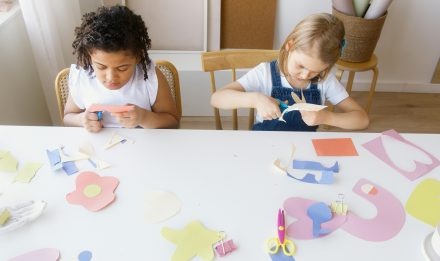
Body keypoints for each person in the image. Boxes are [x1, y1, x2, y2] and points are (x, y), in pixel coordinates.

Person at [211, 13, 369, 131]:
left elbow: (362, 119)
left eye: (316, 71)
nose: (305, 75)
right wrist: (255, 99)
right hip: (262, 145)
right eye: (301, 66)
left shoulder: (325, 81)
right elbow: (217, 98)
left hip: (303, 149)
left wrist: (328, 117)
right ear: (290, 45)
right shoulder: (265, 73)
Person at [63, 6, 180, 132]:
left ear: (137, 57)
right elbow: (67, 118)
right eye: (101, 67)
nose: (111, 77)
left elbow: (173, 121)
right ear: (88, 56)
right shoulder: (82, 77)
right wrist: (82, 120)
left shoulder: (150, 77)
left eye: (122, 68)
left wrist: (144, 118)